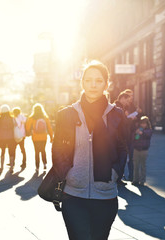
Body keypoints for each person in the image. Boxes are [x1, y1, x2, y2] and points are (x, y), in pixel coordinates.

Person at [52, 61, 127, 240]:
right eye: (88, 80)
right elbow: (58, 149)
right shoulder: (66, 114)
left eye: (99, 81)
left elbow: (123, 148)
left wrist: (115, 173)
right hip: (73, 194)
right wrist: (68, 173)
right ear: (82, 83)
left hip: (105, 194)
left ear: (106, 84)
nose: (93, 85)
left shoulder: (117, 115)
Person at [26, 103, 53, 171]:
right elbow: (49, 128)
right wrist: (51, 137)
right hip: (44, 136)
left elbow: (27, 127)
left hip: (35, 137)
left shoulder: (32, 118)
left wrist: (28, 132)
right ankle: (44, 164)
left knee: (37, 151)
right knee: (43, 150)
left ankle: (37, 167)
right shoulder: (45, 117)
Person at [132, 116, 153, 186]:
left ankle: (142, 180)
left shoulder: (149, 130)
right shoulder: (138, 129)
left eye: (144, 124)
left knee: (143, 165)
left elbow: (148, 135)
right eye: (142, 123)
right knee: (136, 165)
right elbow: (135, 138)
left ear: (147, 124)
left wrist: (142, 132)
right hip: (136, 149)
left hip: (144, 150)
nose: (143, 125)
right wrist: (136, 133)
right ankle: (135, 179)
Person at [0, 104, 16, 171]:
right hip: (11, 137)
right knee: (11, 152)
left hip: (2, 137)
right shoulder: (12, 118)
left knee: (2, 152)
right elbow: (14, 127)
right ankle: (11, 167)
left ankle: (2, 167)